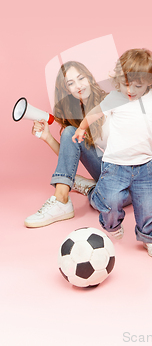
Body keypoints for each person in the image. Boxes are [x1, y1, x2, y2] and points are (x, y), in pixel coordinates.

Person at [72, 49, 152, 258]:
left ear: (150, 83)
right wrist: (81, 127)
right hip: (115, 164)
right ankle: (112, 224)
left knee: (148, 206)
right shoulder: (115, 98)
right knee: (110, 200)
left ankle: (150, 237)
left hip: (144, 165)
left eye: (138, 85)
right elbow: (95, 112)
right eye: (126, 84)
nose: (131, 90)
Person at [25, 61, 122, 228]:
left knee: (113, 202)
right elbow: (71, 154)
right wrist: (47, 137)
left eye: (81, 78)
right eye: (71, 83)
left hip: (129, 172)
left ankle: (90, 188)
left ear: (90, 78)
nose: (78, 86)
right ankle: (61, 200)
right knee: (70, 131)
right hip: (106, 168)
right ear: (66, 90)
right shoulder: (77, 116)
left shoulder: (110, 101)